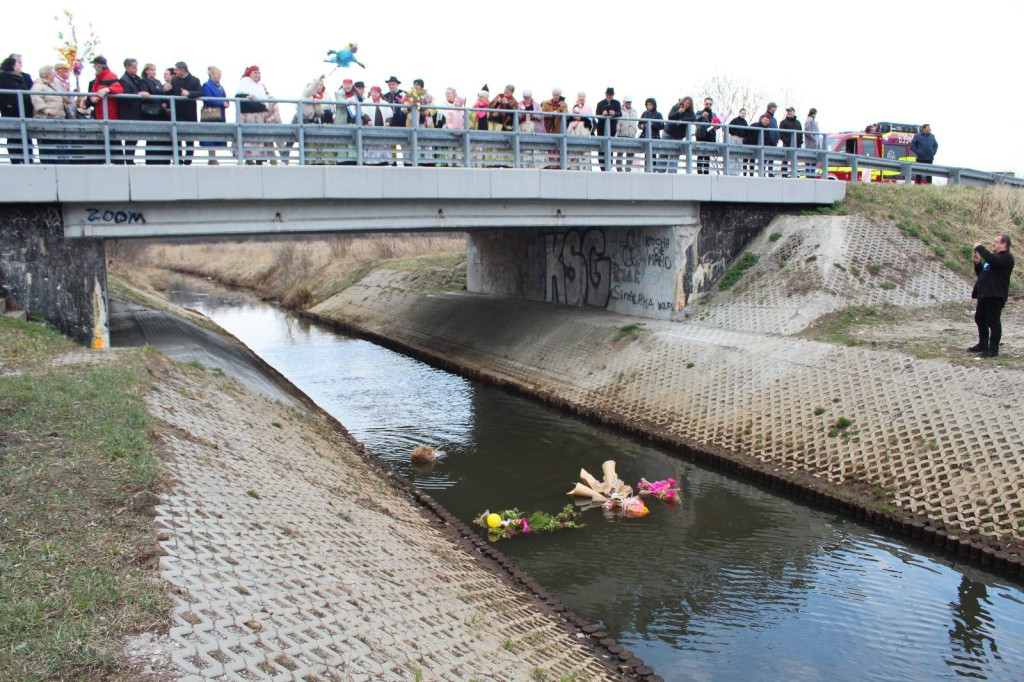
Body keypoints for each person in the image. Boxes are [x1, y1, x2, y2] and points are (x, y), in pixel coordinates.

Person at [969, 234, 1014, 358]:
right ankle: (983, 344)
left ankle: (993, 349)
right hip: (985, 294)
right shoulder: (993, 260)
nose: (993, 243)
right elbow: (982, 275)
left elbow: (991, 259)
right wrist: (978, 264)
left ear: (1004, 244)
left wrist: (980, 248)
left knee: (993, 322)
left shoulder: (1007, 257)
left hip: (995, 295)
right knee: (980, 318)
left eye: (996, 242)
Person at [31, 64, 68, 163]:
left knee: (59, 146)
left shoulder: (54, 85)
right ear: (47, 74)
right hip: (46, 121)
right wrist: (45, 109)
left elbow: (65, 97)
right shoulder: (38, 86)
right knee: (47, 147)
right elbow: (36, 99)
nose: (54, 75)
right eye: (53, 73)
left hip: (58, 120)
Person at [170, 61, 202, 164]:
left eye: (176, 70)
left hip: (189, 114)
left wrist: (189, 93)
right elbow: (170, 93)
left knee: (190, 139)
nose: (174, 72)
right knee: (177, 138)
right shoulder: (174, 80)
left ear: (183, 70)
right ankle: (178, 160)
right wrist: (166, 90)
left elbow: (200, 92)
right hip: (177, 114)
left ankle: (188, 161)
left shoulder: (194, 80)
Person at [119, 58, 146, 164]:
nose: (136, 69)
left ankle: (130, 158)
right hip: (129, 113)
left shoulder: (136, 79)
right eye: (133, 67)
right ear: (127, 67)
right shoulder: (124, 79)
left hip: (136, 112)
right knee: (130, 137)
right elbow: (127, 95)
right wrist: (139, 94)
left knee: (134, 138)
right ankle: (129, 159)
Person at [200, 66, 228, 165]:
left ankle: (213, 157)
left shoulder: (219, 86)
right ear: (212, 75)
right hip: (211, 115)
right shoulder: (207, 85)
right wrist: (221, 103)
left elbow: (224, 97)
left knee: (217, 135)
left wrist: (226, 103)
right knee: (210, 135)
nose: (220, 76)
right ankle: (212, 158)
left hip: (219, 114)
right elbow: (208, 99)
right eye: (218, 74)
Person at [665, 96, 695, 173]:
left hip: (678, 136)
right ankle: (660, 170)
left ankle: (672, 172)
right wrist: (679, 112)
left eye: (688, 103)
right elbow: (670, 116)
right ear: (682, 101)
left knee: (675, 153)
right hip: (669, 132)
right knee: (664, 151)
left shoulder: (690, 111)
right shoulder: (676, 107)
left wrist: (682, 120)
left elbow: (693, 118)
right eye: (685, 102)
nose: (686, 104)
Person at [594, 86, 621, 170]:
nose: (609, 96)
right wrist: (603, 114)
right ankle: (602, 167)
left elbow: (620, 114)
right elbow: (597, 115)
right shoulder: (600, 103)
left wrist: (614, 114)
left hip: (612, 129)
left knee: (610, 148)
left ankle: (609, 166)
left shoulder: (617, 103)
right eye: (608, 94)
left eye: (611, 95)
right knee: (601, 147)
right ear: (606, 94)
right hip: (601, 128)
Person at [566, 91, 593, 170]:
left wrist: (581, 118)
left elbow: (589, 120)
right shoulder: (573, 107)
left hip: (583, 131)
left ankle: (584, 168)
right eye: (580, 96)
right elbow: (569, 118)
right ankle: (572, 167)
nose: (581, 98)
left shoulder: (588, 107)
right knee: (572, 149)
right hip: (573, 131)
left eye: (583, 97)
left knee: (584, 150)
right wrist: (574, 118)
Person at [638, 97, 664, 172]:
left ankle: (653, 168)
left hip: (654, 137)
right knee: (647, 153)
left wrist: (652, 125)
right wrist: (642, 126)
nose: (648, 106)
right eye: (647, 104)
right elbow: (639, 124)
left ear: (654, 105)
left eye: (650, 104)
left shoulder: (658, 114)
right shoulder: (644, 113)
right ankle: (647, 168)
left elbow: (662, 126)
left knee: (653, 153)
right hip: (645, 136)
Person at [615, 95, 638, 171]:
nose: (628, 103)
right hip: (622, 134)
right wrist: (617, 131)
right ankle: (619, 168)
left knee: (630, 153)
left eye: (629, 102)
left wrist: (635, 131)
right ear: (624, 102)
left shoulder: (634, 111)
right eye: (627, 102)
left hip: (631, 134)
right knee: (620, 152)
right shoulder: (620, 110)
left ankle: (628, 168)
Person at [779, 106, 803, 175]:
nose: (788, 113)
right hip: (787, 145)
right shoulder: (783, 122)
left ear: (794, 112)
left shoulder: (798, 123)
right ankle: (784, 174)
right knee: (785, 159)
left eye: (790, 111)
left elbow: (800, 133)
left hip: (797, 145)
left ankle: (794, 174)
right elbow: (781, 133)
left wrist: (800, 142)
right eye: (788, 111)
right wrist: (787, 141)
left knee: (795, 160)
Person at [759, 101, 780, 175]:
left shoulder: (773, 119)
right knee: (764, 158)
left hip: (773, 142)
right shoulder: (764, 116)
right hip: (766, 141)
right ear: (771, 108)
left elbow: (776, 130)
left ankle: (770, 173)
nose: (775, 109)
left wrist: (777, 138)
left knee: (771, 158)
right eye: (775, 107)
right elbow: (762, 128)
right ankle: (763, 173)